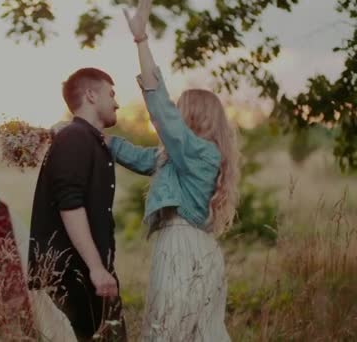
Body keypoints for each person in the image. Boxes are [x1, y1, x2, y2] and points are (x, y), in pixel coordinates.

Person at [106, 1, 240, 340]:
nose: (174, 115)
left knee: (170, 331)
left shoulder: (200, 153)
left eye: (180, 109)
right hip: (191, 247)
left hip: (184, 247)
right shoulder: (180, 158)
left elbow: (160, 110)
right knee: (192, 333)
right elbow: (137, 157)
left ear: (193, 115)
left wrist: (141, 41)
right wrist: (94, 135)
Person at [28, 67, 127, 341]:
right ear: (91, 95)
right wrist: (96, 269)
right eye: (111, 94)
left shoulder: (88, 140)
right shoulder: (74, 138)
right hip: (72, 276)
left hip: (90, 274)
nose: (117, 102)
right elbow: (70, 205)